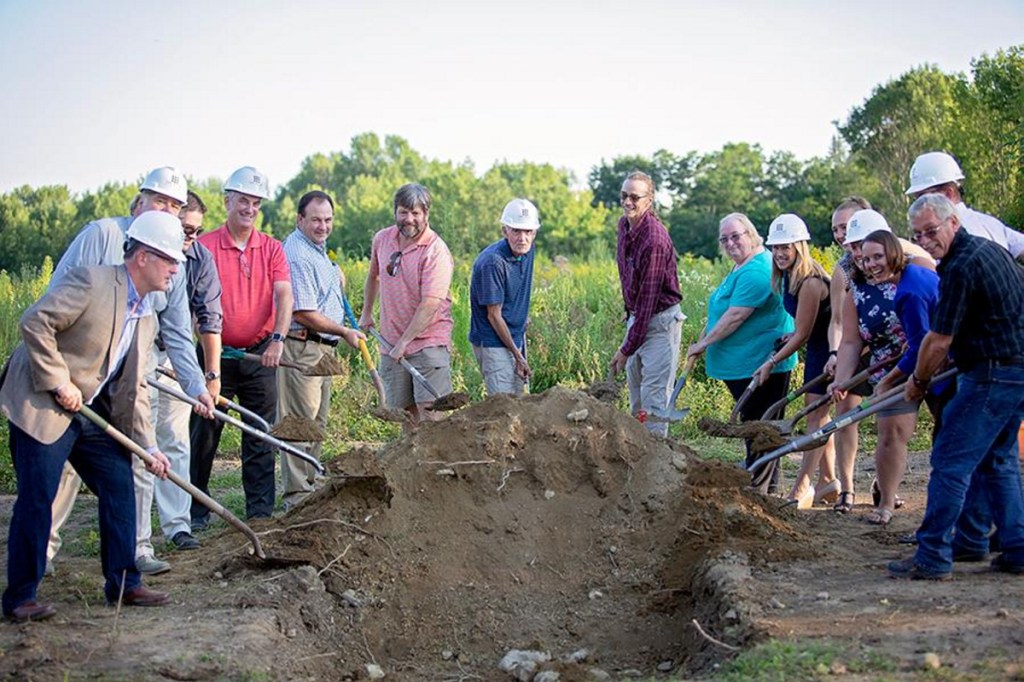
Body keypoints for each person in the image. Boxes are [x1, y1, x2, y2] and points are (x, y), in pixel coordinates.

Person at [0, 211, 186, 622]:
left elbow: (133, 390)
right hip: (42, 399)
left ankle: (125, 582)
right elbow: (34, 322)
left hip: (88, 408)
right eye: (169, 260)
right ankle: (20, 597)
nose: (175, 269)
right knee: (38, 497)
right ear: (143, 257)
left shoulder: (146, 314)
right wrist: (58, 380)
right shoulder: (93, 282)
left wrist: (148, 446)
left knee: (120, 485)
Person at [45, 167, 216, 577]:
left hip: (133, 372)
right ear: (138, 202)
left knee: (141, 453)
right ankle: (43, 550)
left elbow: (177, 330)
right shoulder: (101, 236)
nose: (167, 211)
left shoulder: (173, 256)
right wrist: (57, 375)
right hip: (78, 369)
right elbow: (53, 302)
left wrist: (197, 387)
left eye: (175, 206)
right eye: (160, 201)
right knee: (63, 464)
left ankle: (136, 550)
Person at [889, 193, 1024, 580]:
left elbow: (938, 340)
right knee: (999, 461)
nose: (926, 239)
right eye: (918, 234)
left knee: (949, 461)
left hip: (992, 373)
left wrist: (917, 381)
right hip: (1014, 370)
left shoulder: (961, 266)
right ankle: (1011, 548)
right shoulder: (991, 250)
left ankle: (931, 555)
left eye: (932, 230)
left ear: (953, 223)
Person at [191, 166, 293, 527]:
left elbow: (283, 295)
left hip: (260, 353)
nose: (249, 208)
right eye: (243, 201)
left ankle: (260, 513)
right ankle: (196, 510)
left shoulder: (272, 248)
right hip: (214, 355)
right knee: (204, 433)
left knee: (261, 434)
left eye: (255, 202)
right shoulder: (204, 247)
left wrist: (277, 340)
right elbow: (192, 302)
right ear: (227, 201)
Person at [826, 200, 933, 513]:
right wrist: (843, 380)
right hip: (890, 367)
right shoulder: (855, 288)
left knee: (948, 431)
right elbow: (850, 341)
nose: (861, 256)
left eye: (866, 247)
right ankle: (885, 503)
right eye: (855, 248)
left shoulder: (917, 268)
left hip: (933, 358)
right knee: (891, 433)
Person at [688, 213, 795, 487]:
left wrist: (704, 343)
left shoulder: (758, 269)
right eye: (724, 239)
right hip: (741, 362)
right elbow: (721, 310)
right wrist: (704, 337)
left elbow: (736, 315)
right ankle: (761, 476)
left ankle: (763, 482)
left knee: (761, 426)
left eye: (736, 236)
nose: (730, 242)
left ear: (751, 234)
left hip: (760, 361)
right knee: (754, 422)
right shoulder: (742, 266)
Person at [144, 190, 224, 558]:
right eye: (185, 229)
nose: (191, 237)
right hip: (136, 356)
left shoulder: (200, 259)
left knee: (175, 439)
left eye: (196, 231)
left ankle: (178, 524)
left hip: (175, 356)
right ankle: (137, 535)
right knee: (141, 444)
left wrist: (208, 377)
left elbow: (207, 319)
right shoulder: (141, 249)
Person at [855, 229, 951, 525]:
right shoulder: (912, 276)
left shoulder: (908, 290)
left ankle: (949, 522)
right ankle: (888, 503)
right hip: (932, 361)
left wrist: (887, 381)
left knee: (949, 446)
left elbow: (924, 344)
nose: (871, 265)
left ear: (894, 252)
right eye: (866, 259)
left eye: (878, 257)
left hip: (946, 367)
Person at [279, 190, 363, 509]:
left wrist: (334, 276)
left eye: (328, 220)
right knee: (300, 424)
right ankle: (297, 497)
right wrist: (344, 330)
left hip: (322, 349)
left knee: (316, 424)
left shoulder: (317, 250)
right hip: (303, 347)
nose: (322, 226)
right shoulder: (298, 253)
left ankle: (309, 487)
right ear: (300, 219)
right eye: (315, 219)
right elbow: (302, 312)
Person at [753, 214, 836, 508]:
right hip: (816, 345)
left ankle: (802, 487)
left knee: (815, 417)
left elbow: (802, 335)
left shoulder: (811, 281)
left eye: (786, 247)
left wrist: (771, 362)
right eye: (775, 248)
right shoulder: (788, 276)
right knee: (819, 416)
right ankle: (828, 481)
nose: (780, 253)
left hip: (830, 350)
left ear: (800, 246)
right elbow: (802, 329)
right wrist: (792, 335)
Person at [359, 184, 454, 425]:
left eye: (415, 213)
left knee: (432, 417)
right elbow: (374, 275)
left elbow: (430, 304)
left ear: (426, 214)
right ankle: (412, 463)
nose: (409, 219)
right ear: (395, 212)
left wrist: (405, 342)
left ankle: (435, 463)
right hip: (391, 343)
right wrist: (366, 313)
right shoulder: (382, 239)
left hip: (427, 344)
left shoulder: (435, 251)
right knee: (405, 416)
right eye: (403, 212)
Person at [609, 171, 684, 439]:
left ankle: (656, 460)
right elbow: (627, 275)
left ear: (649, 201)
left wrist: (625, 349)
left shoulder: (654, 240)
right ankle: (637, 455)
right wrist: (627, 310)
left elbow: (649, 301)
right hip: (638, 318)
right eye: (624, 196)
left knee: (653, 397)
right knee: (637, 393)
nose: (628, 202)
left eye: (635, 197)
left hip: (660, 322)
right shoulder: (624, 226)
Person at [468, 198, 540, 396]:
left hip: (515, 335)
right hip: (492, 341)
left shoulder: (528, 249)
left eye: (528, 232)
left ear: (534, 233)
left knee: (518, 402)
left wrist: (522, 315)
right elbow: (493, 316)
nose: (522, 238)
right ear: (505, 231)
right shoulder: (493, 263)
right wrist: (518, 357)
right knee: (503, 405)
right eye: (516, 230)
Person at [905, 151, 1024, 260]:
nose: (918, 205)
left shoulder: (949, 235)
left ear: (948, 193)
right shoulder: (990, 224)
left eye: (923, 197)